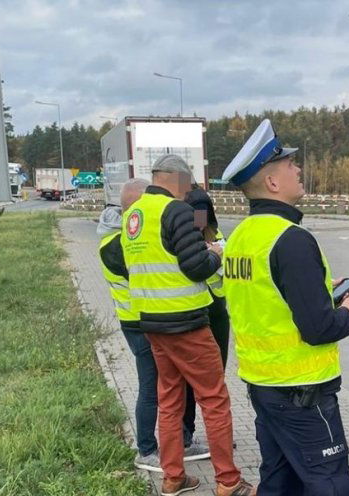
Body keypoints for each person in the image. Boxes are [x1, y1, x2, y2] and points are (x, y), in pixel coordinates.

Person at [221, 119, 349, 495]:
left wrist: (315, 290)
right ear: (271, 182)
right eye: (289, 165)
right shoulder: (292, 239)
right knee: (331, 485)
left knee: (279, 483)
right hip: (302, 393)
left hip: (264, 386)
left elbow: (265, 295)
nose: (297, 169)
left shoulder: (240, 237)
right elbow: (318, 328)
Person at [120, 155, 255, 496]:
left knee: (169, 401)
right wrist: (216, 254)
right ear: (179, 180)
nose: (190, 191)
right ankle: (227, 481)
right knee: (214, 398)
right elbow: (196, 267)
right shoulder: (176, 211)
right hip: (187, 323)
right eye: (190, 184)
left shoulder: (133, 215)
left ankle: (173, 477)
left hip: (151, 323)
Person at [97, 178, 207, 473]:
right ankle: (146, 449)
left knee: (173, 383)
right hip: (140, 322)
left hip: (149, 318)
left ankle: (182, 440)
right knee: (152, 387)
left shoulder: (123, 237)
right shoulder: (119, 242)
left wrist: (198, 212)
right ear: (134, 208)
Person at [185, 185, 230, 366]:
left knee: (218, 367)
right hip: (195, 314)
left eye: (203, 214)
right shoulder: (184, 235)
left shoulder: (216, 234)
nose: (200, 219)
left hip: (217, 311)